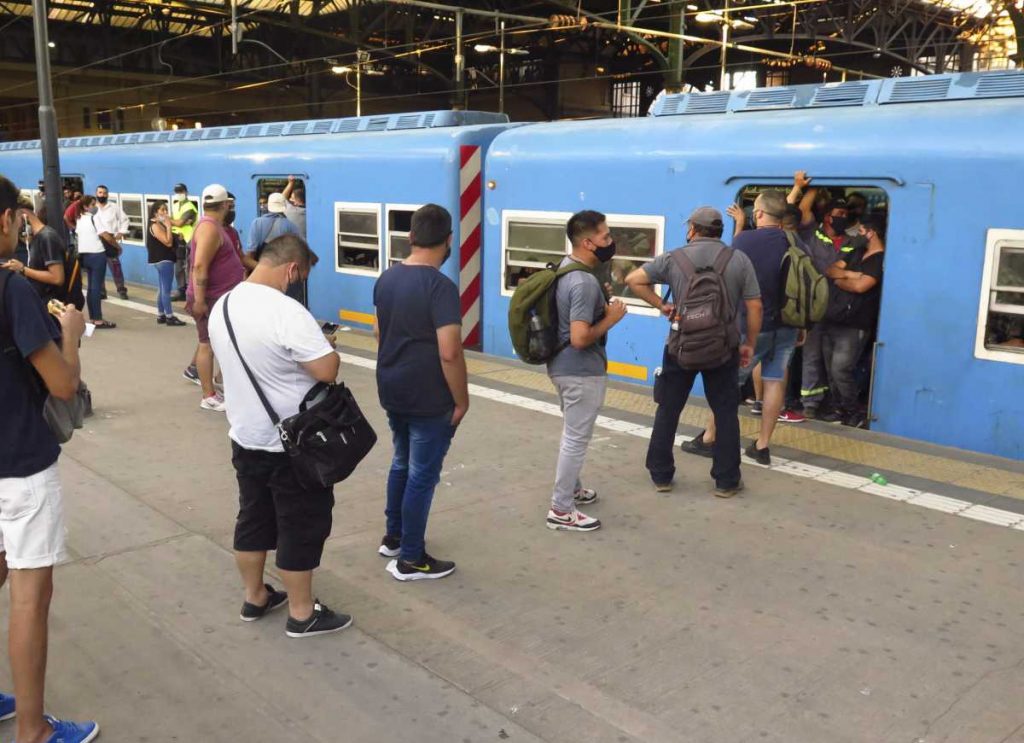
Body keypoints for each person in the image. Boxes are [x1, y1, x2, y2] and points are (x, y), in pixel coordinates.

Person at [208, 233, 353, 638]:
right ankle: (303, 613)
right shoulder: (286, 311)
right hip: (292, 443)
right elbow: (326, 370)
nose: (296, 283)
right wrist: (328, 346)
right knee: (299, 522)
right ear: (291, 268)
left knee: (253, 517)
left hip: (246, 435)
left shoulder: (225, 304)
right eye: (300, 276)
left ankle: (255, 596)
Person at [0, 174, 100, 743]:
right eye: (15, 217)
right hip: (18, 465)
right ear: (3, 221)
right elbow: (62, 386)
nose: (19, 225)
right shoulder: (10, 290)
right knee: (29, 598)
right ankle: (34, 730)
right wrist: (71, 332)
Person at [625, 206, 761, 497]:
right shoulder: (738, 259)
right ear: (719, 231)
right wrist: (749, 342)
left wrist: (662, 306)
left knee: (669, 409)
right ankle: (726, 481)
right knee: (725, 413)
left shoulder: (673, 258)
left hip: (680, 346)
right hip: (724, 348)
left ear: (692, 230)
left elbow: (633, 280)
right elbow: (755, 306)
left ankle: (661, 475)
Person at [373, 204, 467, 579]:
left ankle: (393, 537)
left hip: (392, 387)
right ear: (448, 241)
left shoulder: (386, 278)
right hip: (429, 395)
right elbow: (450, 351)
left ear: (411, 236)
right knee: (422, 475)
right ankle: (411, 558)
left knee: (401, 462)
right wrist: (461, 399)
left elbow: (380, 335)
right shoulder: (440, 287)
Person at [690, 192, 797, 466]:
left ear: (758, 214)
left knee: (728, 382)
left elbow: (728, 270)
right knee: (775, 381)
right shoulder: (796, 241)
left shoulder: (745, 240)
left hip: (753, 325)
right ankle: (762, 447)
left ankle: (710, 438)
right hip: (788, 326)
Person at [540, 210, 626, 532]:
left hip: (561, 368)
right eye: (605, 237)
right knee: (576, 439)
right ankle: (561, 509)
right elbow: (579, 338)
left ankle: (573, 489)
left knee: (572, 433)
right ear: (588, 243)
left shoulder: (565, 268)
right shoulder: (583, 281)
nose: (610, 241)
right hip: (580, 371)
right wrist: (612, 318)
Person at [788, 171, 850, 421]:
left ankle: (832, 404)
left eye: (846, 215)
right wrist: (811, 189)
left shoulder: (852, 241)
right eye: (839, 215)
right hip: (813, 308)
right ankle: (810, 404)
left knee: (834, 362)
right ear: (827, 217)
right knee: (812, 357)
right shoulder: (811, 235)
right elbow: (802, 212)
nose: (843, 219)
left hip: (840, 310)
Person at [821, 217, 886, 428]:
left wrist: (842, 279)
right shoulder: (856, 252)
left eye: (860, 231)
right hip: (833, 318)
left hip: (856, 324)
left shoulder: (879, 260)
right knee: (830, 369)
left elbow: (862, 287)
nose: (857, 235)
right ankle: (838, 408)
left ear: (871, 233)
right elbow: (831, 270)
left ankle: (851, 411)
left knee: (841, 369)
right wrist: (852, 275)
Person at [187, 184, 245, 411]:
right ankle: (208, 395)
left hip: (216, 297)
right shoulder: (210, 229)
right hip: (211, 298)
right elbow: (199, 266)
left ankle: (217, 387)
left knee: (216, 343)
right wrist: (199, 300)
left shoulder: (211, 226)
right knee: (207, 344)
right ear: (225, 205)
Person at [5, 201, 68, 304]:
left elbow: (57, 278)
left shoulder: (47, 237)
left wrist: (22, 269)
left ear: (24, 215)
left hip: (49, 303)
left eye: (13, 218)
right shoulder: (36, 237)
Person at [74, 196, 115, 329]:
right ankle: (97, 319)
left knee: (91, 287)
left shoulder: (79, 218)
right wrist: (116, 246)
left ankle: (93, 317)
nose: (95, 206)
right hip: (97, 254)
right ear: (86, 206)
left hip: (84, 255)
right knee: (96, 287)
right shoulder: (95, 217)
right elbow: (104, 235)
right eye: (92, 204)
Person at [146, 201, 186, 327]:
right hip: (164, 260)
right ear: (155, 212)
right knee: (166, 289)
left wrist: (175, 234)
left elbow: (170, 237)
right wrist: (168, 226)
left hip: (162, 260)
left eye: (166, 210)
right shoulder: (155, 225)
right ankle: (169, 316)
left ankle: (161, 314)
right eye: (162, 210)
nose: (165, 212)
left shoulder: (158, 224)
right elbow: (167, 242)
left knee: (162, 287)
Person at [93, 185, 128, 300]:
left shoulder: (114, 207)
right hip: (97, 241)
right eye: (100, 193)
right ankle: (102, 291)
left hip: (111, 240)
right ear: (96, 194)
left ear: (107, 195)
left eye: (104, 193)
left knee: (116, 268)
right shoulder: (92, 209)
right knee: (99, 268)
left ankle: (121, 289)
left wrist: (121, 232)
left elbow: (124, 220)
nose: (102, 195)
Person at [169, 183, 198, 302]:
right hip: (177, 238)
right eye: (177, 192)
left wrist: (168, 220)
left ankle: (189, 291)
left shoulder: (190, 207)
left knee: (188, 266)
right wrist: (173, 221)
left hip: (188, 239)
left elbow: (180, 223)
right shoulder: (175, 206)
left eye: (181, 191)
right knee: (179, 266)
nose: (179, 194)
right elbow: (175, 221)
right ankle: (182, 290)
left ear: (186, 192)